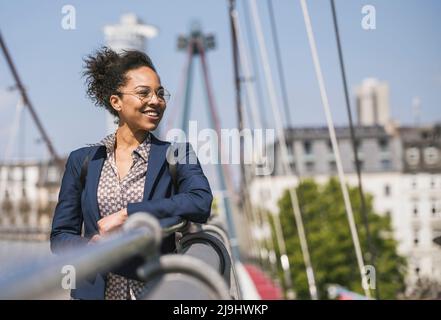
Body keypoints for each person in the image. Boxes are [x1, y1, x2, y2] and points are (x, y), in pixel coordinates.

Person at [50, 47, 213, 300]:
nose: (155, 101)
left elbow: (200, 202)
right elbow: (60, 236)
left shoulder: (179, 153)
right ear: (116, 102)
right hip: (93, 292)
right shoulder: (81, 161)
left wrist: (129, 214)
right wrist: (89, 247)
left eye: (160, 93)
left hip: (155, 291)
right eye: (143, 93)